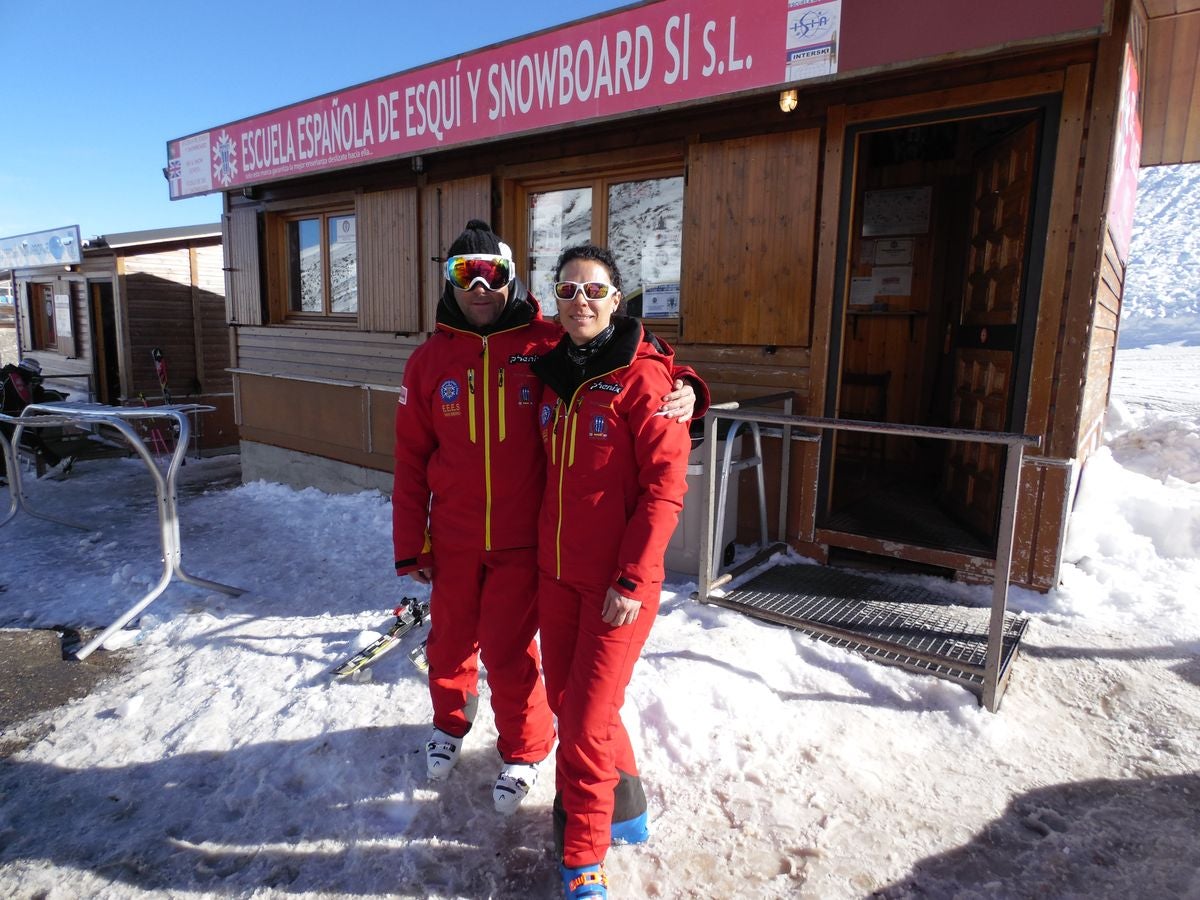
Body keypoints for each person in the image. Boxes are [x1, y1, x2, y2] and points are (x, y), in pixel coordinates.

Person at [392, 221, 706, 816]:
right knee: (448, 642)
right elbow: (410, 458)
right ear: (449, 281)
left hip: (522, 540)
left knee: (510, 653)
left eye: (493, 273)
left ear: (511, 279)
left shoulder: (543, 344)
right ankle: (450, 724)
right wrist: (414, 544)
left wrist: (687, 380)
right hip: (455, 536)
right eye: (466, 274)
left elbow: (626, 349)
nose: (480, 287)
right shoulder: (429, 361)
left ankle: (525, 749)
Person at [531, 244, 691, 899]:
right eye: (568, 291)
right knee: (570, 704)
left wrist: (631, 578)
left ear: (617, 300)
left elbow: (665, 490)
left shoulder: (644, 380)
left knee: (588, 724)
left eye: (594, 290)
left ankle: (582, 857)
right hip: (557, 574)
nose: (581, 302)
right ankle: (627, 813)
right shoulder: (550, 367)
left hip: (618, 585)